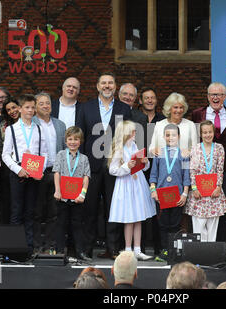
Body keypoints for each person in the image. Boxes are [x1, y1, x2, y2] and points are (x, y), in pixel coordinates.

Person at [76, 72, 132, 260]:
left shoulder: (124, 108)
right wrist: (81, 164)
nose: (107, 86)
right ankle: (87, 248)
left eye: (110, 83)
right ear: (98, 86)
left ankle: (113, 248)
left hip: (115, 165)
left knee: (114, 208)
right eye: (104, 83)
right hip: (91, 166)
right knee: (89, 208)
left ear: (115, 86)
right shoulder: (86, 107)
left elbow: (128, 138)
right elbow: (81, 137)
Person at [2, 94, 48, 251]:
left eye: (32, 107)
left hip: (34, 172)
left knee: (30, 211)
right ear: (20, 109)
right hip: (18, 172)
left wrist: (41, 170)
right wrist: (18, 169)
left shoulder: (39, 129)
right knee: (16, 210)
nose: (30, 110)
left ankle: (28, 246)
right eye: (27, 107)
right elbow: (5, 155)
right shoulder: (12, 130)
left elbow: (44, 153)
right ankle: (16, 246)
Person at [192, 83, 226, 243]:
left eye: (219, 94)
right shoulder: (197, 114)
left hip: (225, 165)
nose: (215, 97)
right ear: (208, 96)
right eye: (212, 94)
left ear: (224, 97)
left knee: (223, 204)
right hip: (202, 168)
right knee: (201, 208)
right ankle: (201, 245)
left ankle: (221, 244)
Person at [108, 121, 156, 260]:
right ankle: (128, 249)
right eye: (133, 132)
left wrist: (145, 163)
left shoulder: (134, 146)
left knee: (139, 218)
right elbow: (112, 170)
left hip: (137, 183)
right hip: (126, 185)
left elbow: (142, 168)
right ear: (125, 134)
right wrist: (127, 166)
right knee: (129, 218)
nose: (135, 134)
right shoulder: (119, 150)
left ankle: (138, 249)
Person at [149, 124, 190, 261]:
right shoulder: (159, 153)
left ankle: (173, 251)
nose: (170, 137)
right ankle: (164, 251)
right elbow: (153, 175)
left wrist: (184, 194)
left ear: (178, 137)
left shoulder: (184, 154)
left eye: (173, 135)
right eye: (167, 135)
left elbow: (186, 176)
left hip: (177, 196)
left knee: (175, 224)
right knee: (162, 224)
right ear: (163, 137)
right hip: (161, 196)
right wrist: (153, 191)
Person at [33, 92, 67, 255]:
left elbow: (65, 148)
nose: (46, 106)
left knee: (54, 212)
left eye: (48, 103)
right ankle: (36, 245)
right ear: (35, 106)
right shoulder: (30, 123)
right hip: (37, 173)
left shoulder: (60, 125)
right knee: (37, 211)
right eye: (41, 103)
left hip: (55, 173)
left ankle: (50, 245)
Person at [185, 120, 226, 242]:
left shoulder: (219, 148)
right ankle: (200, 253)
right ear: (200, 134)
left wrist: (218, 187)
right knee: (199, 227)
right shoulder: (195, 148)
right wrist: (194, 188)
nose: (207, 135)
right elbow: (192, 170)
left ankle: (210, 254)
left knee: (212, 226)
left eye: (210, 132)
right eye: (204, 132)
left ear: (214, 133)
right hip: (198, 192)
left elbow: (220, 169)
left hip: (214, 192)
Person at [53, 126, 91, 260]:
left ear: (80, 141)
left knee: (78, 225)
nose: (73, 142)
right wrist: (57, 190)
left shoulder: (84, 158)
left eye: (76, 139)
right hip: (62, 197)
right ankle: (59, 252)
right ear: (65, 141)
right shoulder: (61, 155)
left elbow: (86, 177)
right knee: (61, 224)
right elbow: (57, 172)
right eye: (70, 139)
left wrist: (83, 194)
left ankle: (80, 252)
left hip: (77, 198)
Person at [138, 87, 165, 256]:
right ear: (140, 101)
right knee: (139, 207)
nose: (149, 100)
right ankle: (138, 247)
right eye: (146, 98)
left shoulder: (163, 120)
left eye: (152, 97)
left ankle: (158, 247)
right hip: (138, 169)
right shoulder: (134, 117)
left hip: (159, 168)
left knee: (158, 208)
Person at [149, 92, 198, 158]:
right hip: (164, 165)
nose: (178, 110)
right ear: (169, 108)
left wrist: (189, 152)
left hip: (184, 165)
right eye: (175, 107)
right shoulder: (159, 125)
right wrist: (153, 151)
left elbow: (196, 150)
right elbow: (151, 148)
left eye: (181, 107)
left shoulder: (190, 125)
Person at [118, 83, 148, 149]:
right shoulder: (109, 113)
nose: (128, 97)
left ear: (135, 98)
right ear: (119, 95)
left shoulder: (141, 118)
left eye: (131, 95)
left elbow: (141, 145)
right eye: (125, 94)